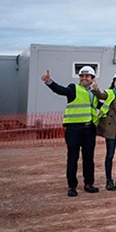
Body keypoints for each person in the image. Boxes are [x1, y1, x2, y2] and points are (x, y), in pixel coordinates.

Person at [42, 66, 100, 197]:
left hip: (89, 130)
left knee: (89, 158)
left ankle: (89, 184)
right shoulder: (73, 88)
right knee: (73, 158)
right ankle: (72, 186)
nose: (84, 78)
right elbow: (60, 90)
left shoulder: (94, 93)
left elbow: (100, 105)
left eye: (87, 76)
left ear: (92, 79)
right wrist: (49, 82)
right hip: (74, 130)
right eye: (82, 76)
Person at [95, 71, 116, 190]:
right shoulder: (110, 93)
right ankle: (109, 180)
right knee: (110, 155)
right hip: (112, 128)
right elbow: (101, 95)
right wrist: (95, 89)